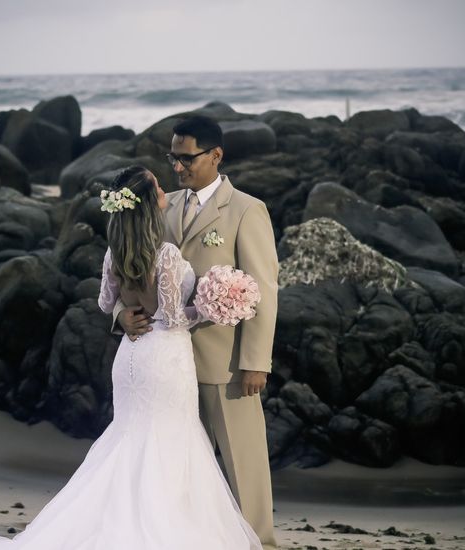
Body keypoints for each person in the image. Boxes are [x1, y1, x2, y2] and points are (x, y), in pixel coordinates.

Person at [0, 164, 261, 550]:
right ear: (147, 204)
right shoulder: (163, 254)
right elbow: (176, 318)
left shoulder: (116, 252)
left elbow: (104, 302)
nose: (164, 189)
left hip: (131, 357)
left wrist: (122, 315)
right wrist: (214, 307)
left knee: (133, 438)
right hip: (164, 356)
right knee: (168, 438)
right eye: (158, 187)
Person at [112, 115, 279, 550]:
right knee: (181, 469)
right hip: (170, 370)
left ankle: (259, 541)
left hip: (226, 364)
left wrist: (256, 362)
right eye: (173, 157)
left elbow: (263, 290)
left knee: (243, 464)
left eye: (186, 158)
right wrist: (120, 313)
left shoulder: (246, 209)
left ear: (215, 155)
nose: (178, 166)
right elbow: (128, 264)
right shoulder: (163, 206)